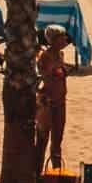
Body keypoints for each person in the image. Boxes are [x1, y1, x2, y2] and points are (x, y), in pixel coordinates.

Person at [34, 25, 71, 171]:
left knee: (57, 141)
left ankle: (56, 172)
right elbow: (43, 78)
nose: (65, 40)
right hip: (47, 103)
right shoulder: (45, 57)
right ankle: (36, 172)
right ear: (54, 40)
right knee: (42, 139)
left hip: (60, 101)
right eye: (62, 37)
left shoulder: (60, 55)